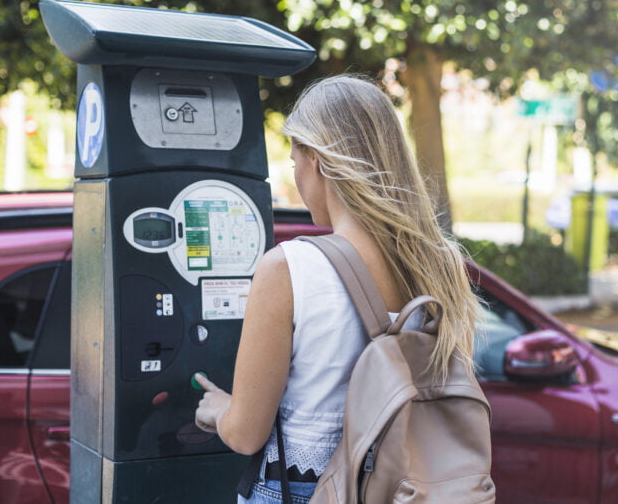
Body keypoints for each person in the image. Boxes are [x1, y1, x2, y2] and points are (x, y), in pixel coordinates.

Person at [194, 74, 481, 503]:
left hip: (301, 490)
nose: (296, 176)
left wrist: (220, 409)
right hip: (403, 490)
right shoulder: (441, 265)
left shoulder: (288, 267)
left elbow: (246, 434)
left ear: (317, 160)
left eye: (295, 161)